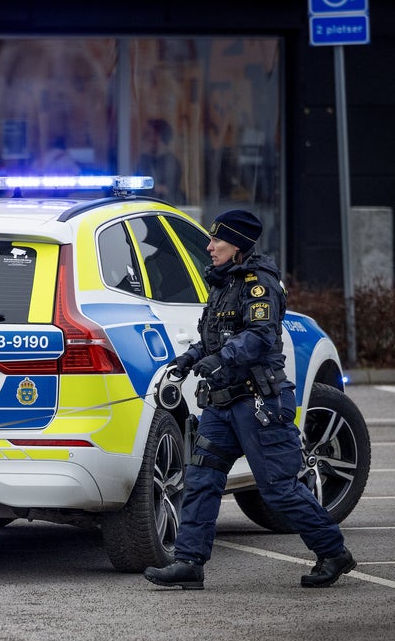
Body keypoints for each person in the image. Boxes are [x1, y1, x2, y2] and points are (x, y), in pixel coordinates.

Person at [144, 209, 355, 590]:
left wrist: (216, 359)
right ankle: (189, 562)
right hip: (222, 404)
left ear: (238, 244)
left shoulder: (259, 284)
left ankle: (333, 552)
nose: (208, 247)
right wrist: (190, 359)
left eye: (216, 241)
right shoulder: (225, 283)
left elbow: (258, 336)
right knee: (202, 480)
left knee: (278, 488)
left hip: (259, 405)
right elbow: (217, 335)